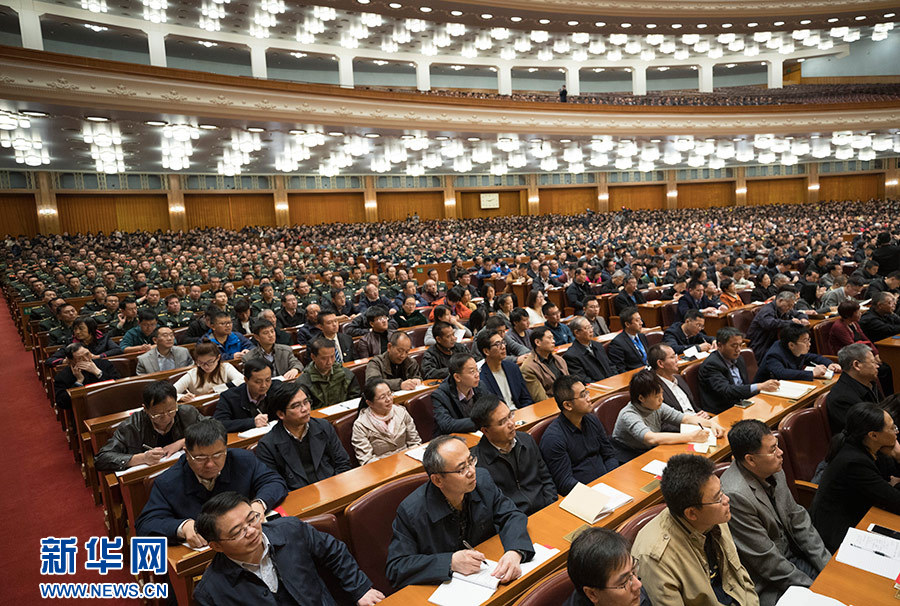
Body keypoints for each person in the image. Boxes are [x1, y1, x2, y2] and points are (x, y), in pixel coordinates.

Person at [385, 434, 534, 590]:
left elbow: (511, 515)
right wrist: (450, 562)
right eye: (462, 469)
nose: (472, 471)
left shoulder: (482, 480)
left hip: (487, 573)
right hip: (444, 588)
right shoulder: (411, 511)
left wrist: (515, 551)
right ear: (438, 480)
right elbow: (396, 567)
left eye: (471, 461)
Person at [193, 491, 383, 606]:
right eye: (237, 531)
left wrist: (360, 590)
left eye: (252, 519)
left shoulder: (290, 529)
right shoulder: (209, 592)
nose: (251, 531)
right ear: (216, 546)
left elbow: (334, 551)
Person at [721, 420, 831, 606]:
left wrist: (827, 565)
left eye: (777, 445)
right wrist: (814, 588)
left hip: (795, 557)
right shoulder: (735, 495)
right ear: (751, 459)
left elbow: (798, 519)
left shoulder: (773, 468)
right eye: (772, 449)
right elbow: (766, 562)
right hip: (770, 581)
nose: (780, 453)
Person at [135, 418, 287, 546]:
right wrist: (182, 527)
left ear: (226, 449)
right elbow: (145, 525)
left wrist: (259, 504)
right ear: (187, 453)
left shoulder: (243, 460)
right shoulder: (168, 482)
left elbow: (274, 481)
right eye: (200, 458)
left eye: (217, 455)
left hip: (247, 541)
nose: (210, 464)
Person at [632, 454, 759, 606]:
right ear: (692, 513)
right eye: (718, 498)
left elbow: (740, 578)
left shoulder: (714, 516)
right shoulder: (656, 558)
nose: (726, 499)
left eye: (722, 491)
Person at [811, 402, 900, 552]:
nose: (896, 431)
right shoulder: (854, 463)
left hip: (863, 514)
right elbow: (895, 500)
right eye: (892, 428)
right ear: (873, 435)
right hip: (840, 533)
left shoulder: (871, 447)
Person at [469, 394, 557, 515]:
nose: (511, 423)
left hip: (546, 509)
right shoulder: (478, 464)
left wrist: (551, 506)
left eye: (510, 415)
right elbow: (493, 509)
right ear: (485, 430)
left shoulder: (526, 440)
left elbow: (546, 478)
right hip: (515, 519)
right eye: (502, 422)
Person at [255, 381, 352, 489]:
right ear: (281, 414)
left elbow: (343, 463)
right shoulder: (267, 446)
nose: (305, 409)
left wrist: (336, 488)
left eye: (306, 402)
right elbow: (274, 485)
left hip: (332, 488)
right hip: (298, 496)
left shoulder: (323, 426)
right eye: (296, 406)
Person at [612, 369, 722, 462]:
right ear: (641, 398)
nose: (662, 399)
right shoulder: (628, 415)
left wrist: (711, 424)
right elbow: (651, 438)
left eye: (661, 393)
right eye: (656, 396)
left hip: (649, 451)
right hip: (628, 457)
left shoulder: (656, 406)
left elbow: (685, 418)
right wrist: (691, 437)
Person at [95, 380, 205, 472]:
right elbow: (101, 459)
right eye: (158, 414)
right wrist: (142, 458)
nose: (166, 418)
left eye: (171, 411)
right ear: (145, 409)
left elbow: (212, 428)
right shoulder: (131, 426)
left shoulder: (187, 413)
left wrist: (182, 442)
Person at [540, 375, 619, 495]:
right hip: (584, 494)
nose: (589, 398)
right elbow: (565, 482)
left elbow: (609, 455)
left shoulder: (592, 419)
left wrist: (610, 479)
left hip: (608, 484)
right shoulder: (553, 438)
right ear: (568, 405)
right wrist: (594, 493)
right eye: (583, 395)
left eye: (587, 392)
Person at [698, 327, 779, 414]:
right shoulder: (711, 365)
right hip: (723, 410)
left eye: (740, 345)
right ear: (720, 345)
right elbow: (727, 391)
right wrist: (759, 386)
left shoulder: (739, 358)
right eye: (734, 346)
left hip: (743, 403)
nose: (738, 350)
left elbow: (744, 385)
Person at [565, 527, 650, 606]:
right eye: (624, 582)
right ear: (592, 594)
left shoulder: (634, 592)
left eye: (633, 570)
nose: (638, 584)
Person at [351, 378, 421, 465]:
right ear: (370, 403)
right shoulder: (361, 425)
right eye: (382, 397)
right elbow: (366, 460)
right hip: (381, 468)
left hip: (408, 462)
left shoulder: (401, 412)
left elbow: (415, 442)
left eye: (389, 394)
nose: (388, 399)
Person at [824, 343, 882, 434]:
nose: (877, 366)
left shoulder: (869, 383)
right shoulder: (842, 398)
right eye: (873, 362)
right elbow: (864, 433)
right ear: (857, 365)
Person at [754, 323, 841, 382]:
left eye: (809, 340)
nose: (809, 344)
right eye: (805, 341)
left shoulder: (794, 348)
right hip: (763, 394)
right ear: (791, 345)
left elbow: (811, 357)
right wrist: (812, 373)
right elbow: (782, 373)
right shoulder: (774, 355)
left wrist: (829, 364)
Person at [53, 342, 121, 410]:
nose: (86, 359)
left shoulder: (104, 363)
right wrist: (79, 382)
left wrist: (98, 373)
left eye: (87, 354)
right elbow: (62, 403)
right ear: (71, 361)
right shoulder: (62, 376)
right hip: (83, 410)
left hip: (110, 402)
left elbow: (119, 386)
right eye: (80, 358)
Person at [648, 344, 708, 420]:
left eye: (675, 356)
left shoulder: (679, 378)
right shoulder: (654, 388)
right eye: (672, 357)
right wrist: (690, 421)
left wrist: (703, 414)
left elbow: (694, 408)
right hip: (682, 426)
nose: (677, 360)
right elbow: (662, 422)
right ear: (660, 363)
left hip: (699, 421)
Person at [298, 338, 362, 408]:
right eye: (324, 358)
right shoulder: (303, 382)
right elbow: (305, 408)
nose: (329, 362)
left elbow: (355, 399)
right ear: (313, 357)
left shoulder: (346, 374)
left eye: (332, 357)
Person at [477, 330, 533, 410]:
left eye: (503, 342)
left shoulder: (513, 368)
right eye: (497, 344)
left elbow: (526, 398)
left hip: (520, 413)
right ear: (486, 351)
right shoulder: (481, 378)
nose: (503, 347)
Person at [215, 358, 275, 432]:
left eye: (268, 380)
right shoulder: (229, 397)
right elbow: (219, 424)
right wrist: (252, 422)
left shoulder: (275, 389)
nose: (264, 385)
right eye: (258, 382)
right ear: (246, 380)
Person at [746, 290, 808, 361]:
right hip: (762, 344)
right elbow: (769, 324)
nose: (790, 308)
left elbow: (798, 313)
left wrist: (803, 318)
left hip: (774, 342)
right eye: (789, 305)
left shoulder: (785, 309)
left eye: (792, 306)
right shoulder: (767, 310)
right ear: (780, 301)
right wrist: (790, 322)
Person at [431, 353, 484, 435]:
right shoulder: (440, 395)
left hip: (475, 434)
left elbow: (492, 406)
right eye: (472, 372)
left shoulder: (479, 385)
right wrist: (481, 421)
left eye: (477, 370)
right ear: (457, 377)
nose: (477, 375)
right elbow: (446, 424)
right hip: (452, 438)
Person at [174, 340, 244, 401]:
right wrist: (181, 397)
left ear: (218, 358)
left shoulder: (225, 367)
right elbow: (172, 391)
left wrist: (218, 389)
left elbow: (242, 380)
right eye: (201, 363)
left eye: (210, 362)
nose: (206, 366)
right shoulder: (192, 374)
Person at [46, 315, 123, 366]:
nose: (77, 332)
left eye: (81, 329)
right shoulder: (71, 343)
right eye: (75, 329)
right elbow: (49, 361)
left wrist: (98, 356)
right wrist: (64, 361)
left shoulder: (103, 338)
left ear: (91, 329)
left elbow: (117, 350)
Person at [520, 326, 570, 401]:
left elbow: (570, 384)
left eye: (553, 338)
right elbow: (541, 399)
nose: (553, 341)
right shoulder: (528, 368)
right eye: (549, 338)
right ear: (537, 342)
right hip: (553, 404)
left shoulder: (559, 359)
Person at [562, 315, 615, 383]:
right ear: (577, 333)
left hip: (612, 383)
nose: (591, 330)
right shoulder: (571, 356)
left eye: (591, 327)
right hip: (597, 387)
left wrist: (615, 378)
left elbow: (611, 366)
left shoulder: (598, 345)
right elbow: (583, 379)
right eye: (587, 328)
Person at [608, 307, 651, 373]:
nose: (641, 323)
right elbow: (620, 369)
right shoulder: (617, 343)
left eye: (640, 319)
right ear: (627, 324)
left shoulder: (642, 336)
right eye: (637, 320)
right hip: (636, 376)